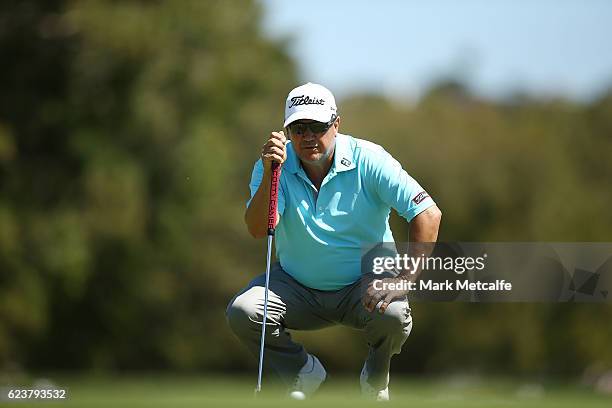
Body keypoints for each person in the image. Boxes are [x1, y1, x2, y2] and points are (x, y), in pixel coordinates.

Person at [226, 82, 441, 401]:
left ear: (336, 124)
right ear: (287, 132)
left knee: (394, 313)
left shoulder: (369, 159)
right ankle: (303, 372)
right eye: (298, 128)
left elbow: (427, 213)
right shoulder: (274, 166)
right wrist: (272, 174)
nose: (308, 136)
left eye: (318, 126)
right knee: (243, 311)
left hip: (364, 288)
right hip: (297, 286)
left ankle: (376, 378)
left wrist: (404, 280)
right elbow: (259, 228)